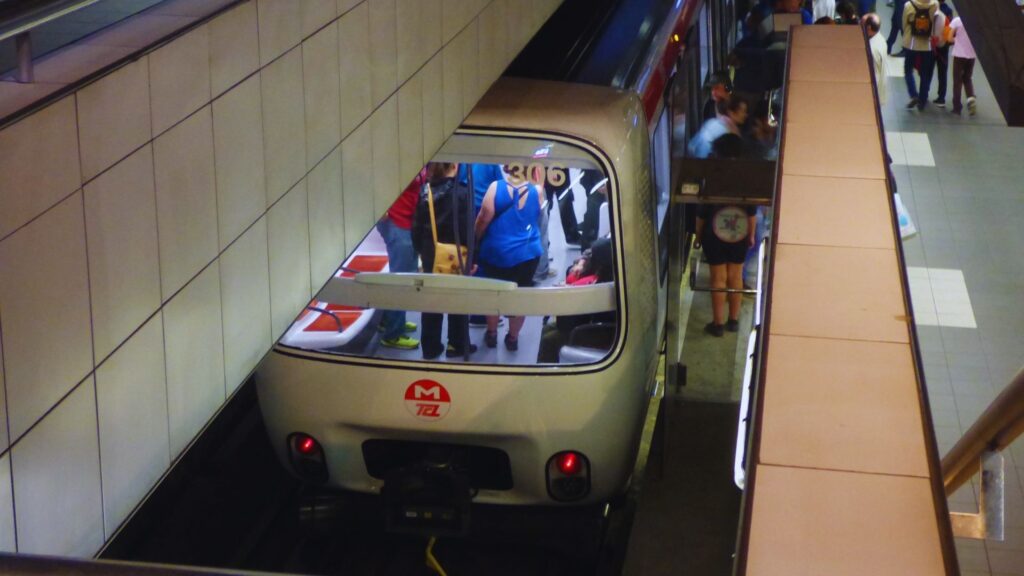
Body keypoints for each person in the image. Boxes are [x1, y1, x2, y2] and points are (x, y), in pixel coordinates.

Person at [475, 164, 544, 351]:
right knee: (519, 296)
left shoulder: (495, 187)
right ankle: (512, 338)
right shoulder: (537, 191)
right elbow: (535, 216)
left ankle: (491, 334)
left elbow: (483, 218)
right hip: (528, 254)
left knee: (493, 294)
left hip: (496, 252)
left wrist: (475, 239)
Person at [411, 163, 476, 359]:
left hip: (432, 255)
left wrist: (422, 252)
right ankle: (457, 344)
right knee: (458, 300)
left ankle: (430, 347)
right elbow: (468, 230)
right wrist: (473, 258)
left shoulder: (425, 192)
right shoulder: (463, 193)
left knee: (431, 302)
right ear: (455, 166)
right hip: (457, 255)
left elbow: (416, 229)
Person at [696, 134, 757, 338]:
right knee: (735, 276)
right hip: (738, 231)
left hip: (714, 232)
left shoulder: (712, 174)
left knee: (718, 279)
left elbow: (702, 212)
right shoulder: (747, 176)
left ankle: (718, 324)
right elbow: (752, 210)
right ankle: (734, 320)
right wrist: (751, 234)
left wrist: (698, 236)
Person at [536, 237, 615, 363]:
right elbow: (589, 252)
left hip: (595, 331)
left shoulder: (602, 290)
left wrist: (569, 292)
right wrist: (582, 263)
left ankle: (546, 377)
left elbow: (570, 322)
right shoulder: (606, 273)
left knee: (549, 340)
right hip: (587, 322)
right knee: (547, 329)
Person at [376, 170, 423, 350]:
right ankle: (392, 335)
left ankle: (390, 321)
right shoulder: (395, 160)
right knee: (401, 279)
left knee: (403, 273)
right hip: (397, 222)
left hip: (408, 221)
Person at [901, 0, 945, 111]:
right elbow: (937, 22)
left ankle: (913, 94)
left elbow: (904, 23)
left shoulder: (909, 5)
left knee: (908, 70)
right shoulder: (935, 4)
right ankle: (922, 101)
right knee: (925, 73)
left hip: (911, 43)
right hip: (927, 44)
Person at [948, 14, 976, 115]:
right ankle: (971, 98)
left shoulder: (957, 21)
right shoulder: (976, 22)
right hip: (972, 54)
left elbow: (949, 38)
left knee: (957, 81)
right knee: (967, 78)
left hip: (959, 54)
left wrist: (958, 41)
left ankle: (957, 106)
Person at [929, 0, 954, 107]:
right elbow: (949, 29)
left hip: (931, 44)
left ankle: (924, 93)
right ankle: (941, 98)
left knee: (927, 70)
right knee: (942, 72)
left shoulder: (932, 8)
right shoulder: (948, 10)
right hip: (943, 46)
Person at [863, 13, 889, 105]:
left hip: (872, 94)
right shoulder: (880, 39)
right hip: (880, 88)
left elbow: (873, 75)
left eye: (862, 24)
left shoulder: (872, 48)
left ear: (869, 27)